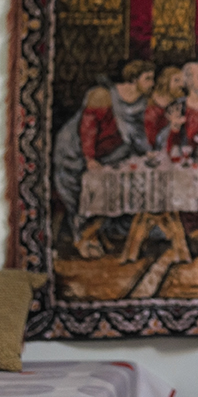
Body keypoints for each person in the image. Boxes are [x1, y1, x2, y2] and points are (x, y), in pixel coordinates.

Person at [52, 60, 154, 258]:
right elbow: (88, 128)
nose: (152, 83)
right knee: (84, 196)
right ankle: (82, 237)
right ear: (134, 79)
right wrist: (89, 158)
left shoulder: (142, 101)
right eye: (148, 78)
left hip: (110, 153)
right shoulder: (103, 95)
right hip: (77, 151)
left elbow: (138, 133)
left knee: (113, 190)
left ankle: (97, 234)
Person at [144, 65, 185, 149]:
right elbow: (151, 142)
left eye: (182, 81)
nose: (182, 85)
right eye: (176, 80)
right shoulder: (152, 109)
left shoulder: (178, 104)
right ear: (165, 81)